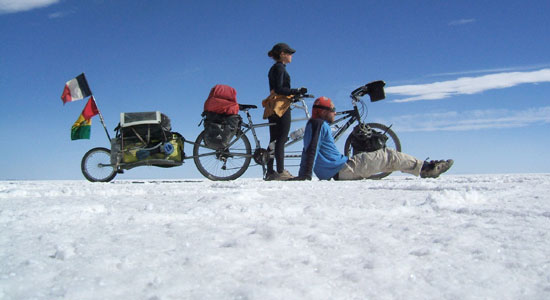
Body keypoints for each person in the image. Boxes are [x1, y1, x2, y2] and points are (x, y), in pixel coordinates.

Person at [292, 97, 454, 181]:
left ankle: (422, 168)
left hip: (340, 169)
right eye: (332, 109)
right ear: (321, 111)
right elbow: (311, 148)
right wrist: (305, 176)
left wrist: (303, 174)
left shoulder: (315, 125)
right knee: (390, 155)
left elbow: (307, 150)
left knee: (385, 156)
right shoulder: (318, 123)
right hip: (342, 169)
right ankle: (427, 168)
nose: (335, 112)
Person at [262, 42, 307, 181]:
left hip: (272, 106)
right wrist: (296, 91)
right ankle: (281, 171)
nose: (291, 56)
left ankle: (270, 172)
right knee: (281, 138)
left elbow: (275, 89)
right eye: (289, 53)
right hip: (281, 106)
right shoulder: (280, 68)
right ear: (282, 54)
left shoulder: (273, 68)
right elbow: (280, 89)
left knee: (273, 140)